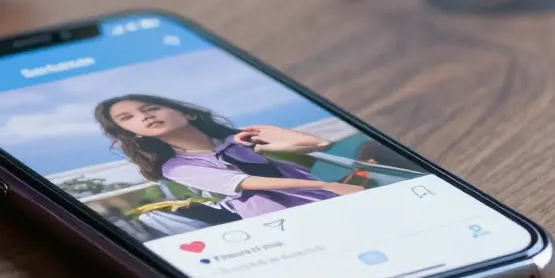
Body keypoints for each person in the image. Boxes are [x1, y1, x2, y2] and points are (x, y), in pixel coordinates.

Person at [93, 93, 365, 220]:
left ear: (188, 113)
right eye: (128, 118)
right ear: (133, 133)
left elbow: (319, 144)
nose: (145, 117)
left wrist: (279, 136)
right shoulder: (176, 167)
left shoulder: (241, 138)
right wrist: (326, 184)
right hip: (279, 217)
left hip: (328, 198)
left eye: (150, 108)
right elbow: (246, 182)